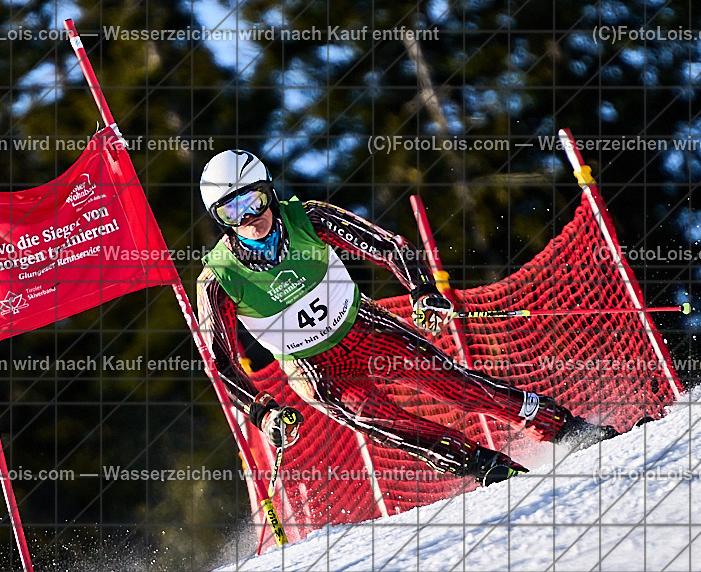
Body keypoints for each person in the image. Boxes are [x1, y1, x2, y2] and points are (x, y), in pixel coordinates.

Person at [196, 150, 618, 486]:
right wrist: (262, 411)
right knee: (390, 425)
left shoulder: (307, 217)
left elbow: (387, 246)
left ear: (269, 191)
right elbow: (221, 363)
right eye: (232, 213)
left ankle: (563, 427)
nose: (250, 218)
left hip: (363, 330)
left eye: (253, 200)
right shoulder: (218, 278)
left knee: (458, 387)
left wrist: (421, 290)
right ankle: (487, 467)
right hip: (317, 370)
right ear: (221, 221)